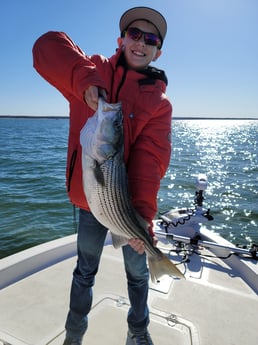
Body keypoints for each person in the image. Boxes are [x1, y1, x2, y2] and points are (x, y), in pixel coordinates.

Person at [33, 6, 172, 345]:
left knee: (138, 274)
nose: (140, 43)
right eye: (134, 34)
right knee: (84, 272)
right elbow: (45, 47)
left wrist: (142, 221)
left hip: (127, 209)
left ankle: (138, 332)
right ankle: (74, 335)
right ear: (121, 40)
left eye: (150, 39)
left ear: (158, 50)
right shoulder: (92, 69)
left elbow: (148, 163)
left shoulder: (159, 104)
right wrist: (84, 80)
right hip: (89, 205)